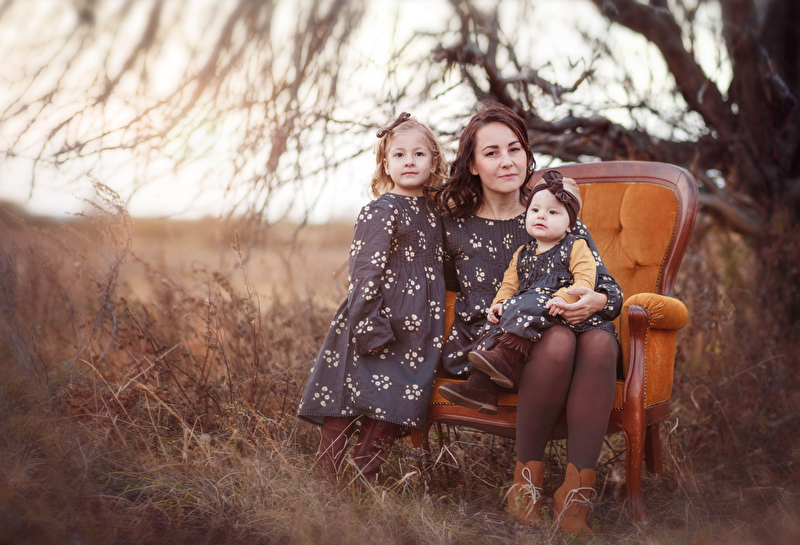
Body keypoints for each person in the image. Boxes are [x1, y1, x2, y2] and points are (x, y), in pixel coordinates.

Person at [427, 102, 622, 536]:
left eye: (514, 149)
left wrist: (595, 301)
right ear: (472, 164)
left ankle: (576, 495)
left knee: (599, 340)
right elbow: (431, 290)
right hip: (497, 349)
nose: (507, 161)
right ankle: (526, 486)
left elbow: (608, 288)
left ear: (527, 154)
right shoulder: (453, 226)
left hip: (567, 329)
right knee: (558, 340)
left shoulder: (554, 211)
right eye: (491, 152)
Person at [298, 112, 449, 488]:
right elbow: (364, 272)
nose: (409, 161)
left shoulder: (437, 212)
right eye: (399, 155)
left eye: (419, 154)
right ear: (385, 163)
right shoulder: (381, 210)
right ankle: (326, 480)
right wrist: (371, 326)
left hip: (418, 332)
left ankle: (361, 480)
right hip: (378, 321)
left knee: (394, 404)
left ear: (434, 162)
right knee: (350, 398)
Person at [465, 169, 616, 392]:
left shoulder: (575, 246)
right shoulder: (522, 252)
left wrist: (563, 297)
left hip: (558, 309)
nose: (541, 216)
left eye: (553, 212)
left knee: (530, 302)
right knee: (498, 319)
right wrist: (500, 302)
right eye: (535, 210)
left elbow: (585, 279)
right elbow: (509, 284)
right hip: (530, 311)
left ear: (570, 225)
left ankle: (506, 357)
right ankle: (480, 384)